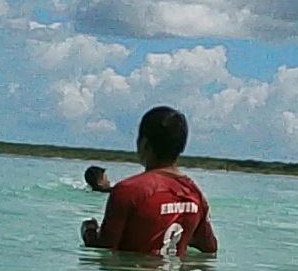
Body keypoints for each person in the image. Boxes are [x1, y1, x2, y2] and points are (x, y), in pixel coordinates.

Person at [81, 106, 217, 256]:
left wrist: (89, 231)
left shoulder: (128, 190)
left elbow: (104, 249)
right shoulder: (195, 194)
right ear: (181, 146)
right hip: (174, 270)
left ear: (144, 143)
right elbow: (209, 248)